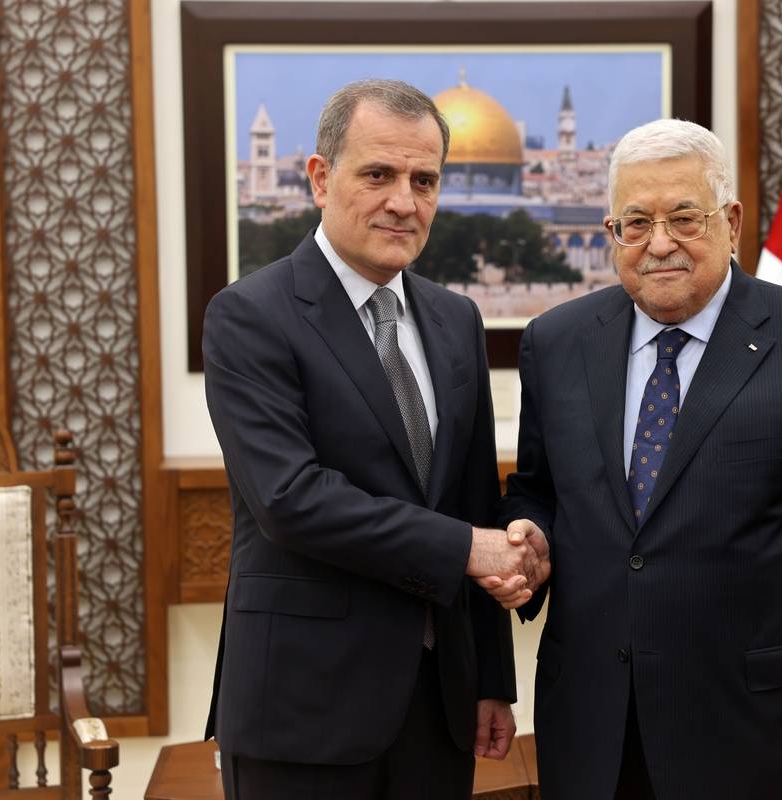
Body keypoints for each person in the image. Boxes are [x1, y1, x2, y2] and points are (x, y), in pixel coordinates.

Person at [498, 118, 782, 800]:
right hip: (594, 731)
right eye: (635, 223)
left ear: (732, 221)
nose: (660, 243)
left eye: (685, 217)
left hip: (755, 733)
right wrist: (531, 532)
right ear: (610, 233)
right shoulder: (556, 343)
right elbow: (539, 489)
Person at [202, 79, 545, 799]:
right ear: (321, 178)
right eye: (379, 174)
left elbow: (473, 496)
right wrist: (468, 549)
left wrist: (490, 679)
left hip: (437, 707)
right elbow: (291, 499)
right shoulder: (250, 315)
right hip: (301, 708)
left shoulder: (455, 321)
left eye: (425, 180)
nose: (404, 201)